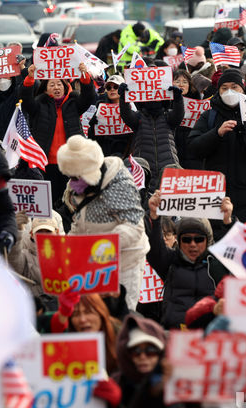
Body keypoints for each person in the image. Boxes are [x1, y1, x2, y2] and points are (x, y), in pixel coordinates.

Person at [57, 135, 149, 309]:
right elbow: (80, 222)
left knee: (120, 315)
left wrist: (100, 246)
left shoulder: (119, 184)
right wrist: (66, 247)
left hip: (125, 263)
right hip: (95, 265)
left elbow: (134, 227)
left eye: (76, 177)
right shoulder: (82, 186)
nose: (72, 182)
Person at [188, 69, 246, 230]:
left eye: (234, 87)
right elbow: (194, 147)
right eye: (224, 88)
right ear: (218, 90)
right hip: (219, 197)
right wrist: (216, 134)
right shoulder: (209, 116)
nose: (229, 91)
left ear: (243, 89)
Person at [140, 192, 233, 328]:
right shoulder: (170, 261)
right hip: (175, 332)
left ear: (208, 241)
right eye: (187, 239)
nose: (193, 244)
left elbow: (236, 254)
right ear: (179, 240)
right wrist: (154, 216)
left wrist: (228, 221)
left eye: (199, 239)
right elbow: (155, 248)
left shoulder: (216, 263)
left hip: (209, 333)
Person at [21, 63, 95, 201]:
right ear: (45, 89)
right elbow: (25, 100)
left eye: (59, 84)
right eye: (52, 84)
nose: (56, 87)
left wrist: (85, 76)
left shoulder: (74, 103)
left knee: (71, 201)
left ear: (65, 86)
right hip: (45, 165)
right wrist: (30, 78)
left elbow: (89, 96)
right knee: (49, 202)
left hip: (71, 164)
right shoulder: (38, 105)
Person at [117, 81, 184, 191]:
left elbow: (178, 115)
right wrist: (123, 99)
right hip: (143, 169)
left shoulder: (168, 116)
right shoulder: (138, 117)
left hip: (168, 166)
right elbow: (126, 115)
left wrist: (178, 99)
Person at [87, 74, 132, 158]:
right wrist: (93, 127)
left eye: (116, 87)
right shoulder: (100, 108)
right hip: (106, 155)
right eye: (109, 88)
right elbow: (93, 139)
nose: (112, 90)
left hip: (126, 154)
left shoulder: (132, 107)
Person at [172, 69, 203, 170]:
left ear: (189, 85)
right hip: (173, 148)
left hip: (192, 150)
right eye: (177, 81)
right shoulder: (166, 102)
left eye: (185, 82)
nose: (181, 85)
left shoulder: (198, 102)